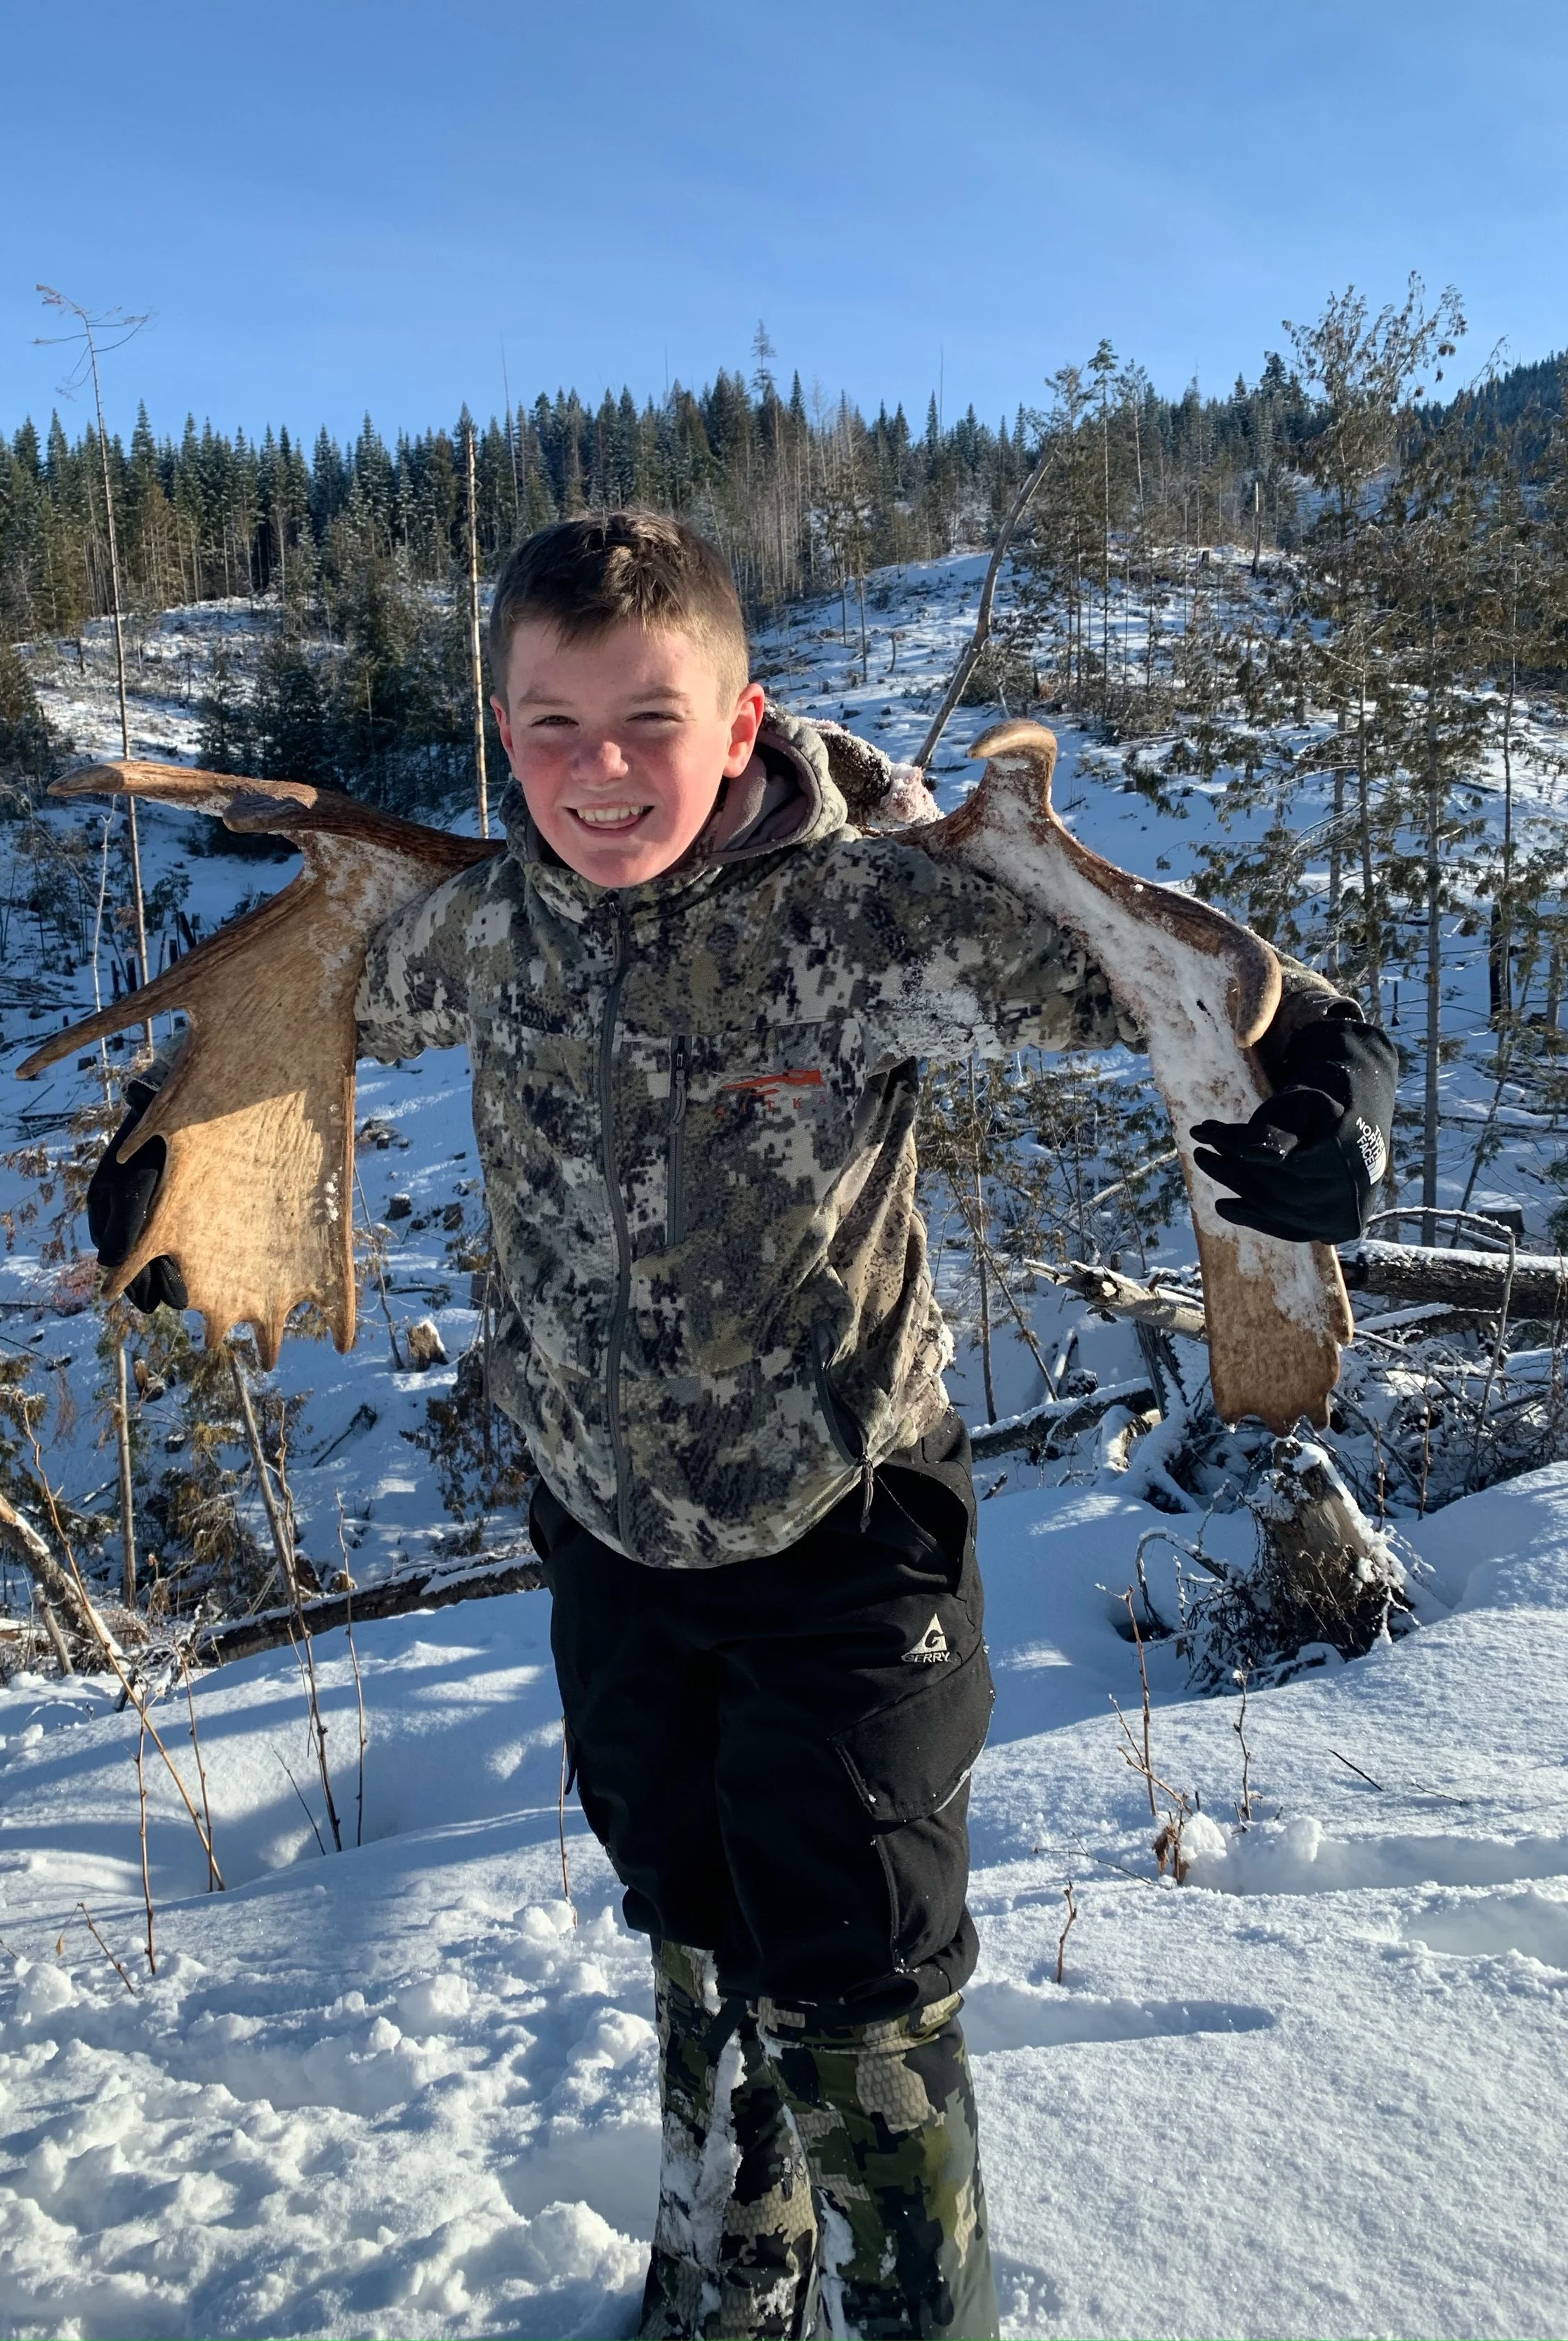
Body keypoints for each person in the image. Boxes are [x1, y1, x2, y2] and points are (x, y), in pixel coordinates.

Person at [91, 511, 1397, 2340]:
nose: (598, 772)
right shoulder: (487, 927)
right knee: (697, 1934)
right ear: (498, 726)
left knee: (858, 1992)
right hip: (611, 1549)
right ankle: (722, 2285)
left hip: (844, 1539)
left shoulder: (860, 921)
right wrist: (167, 1170)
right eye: (549, 724)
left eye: (648, 717)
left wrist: (1333, 1077)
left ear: (737, 719)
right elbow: (310, 1011)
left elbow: (1186, 981)